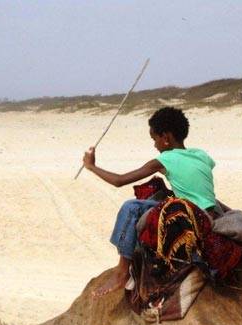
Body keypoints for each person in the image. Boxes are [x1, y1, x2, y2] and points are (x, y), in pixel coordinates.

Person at [83, 106, 218, 296]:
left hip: (191, 217)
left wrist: (91, 166)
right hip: (208, 213)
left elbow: (119, 181)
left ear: (166, 138)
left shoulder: (165, 159)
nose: (155, 145)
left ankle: (122, 272)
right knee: (161, 194)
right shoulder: (202, 155)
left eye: (155, 139)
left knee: (131, 207)